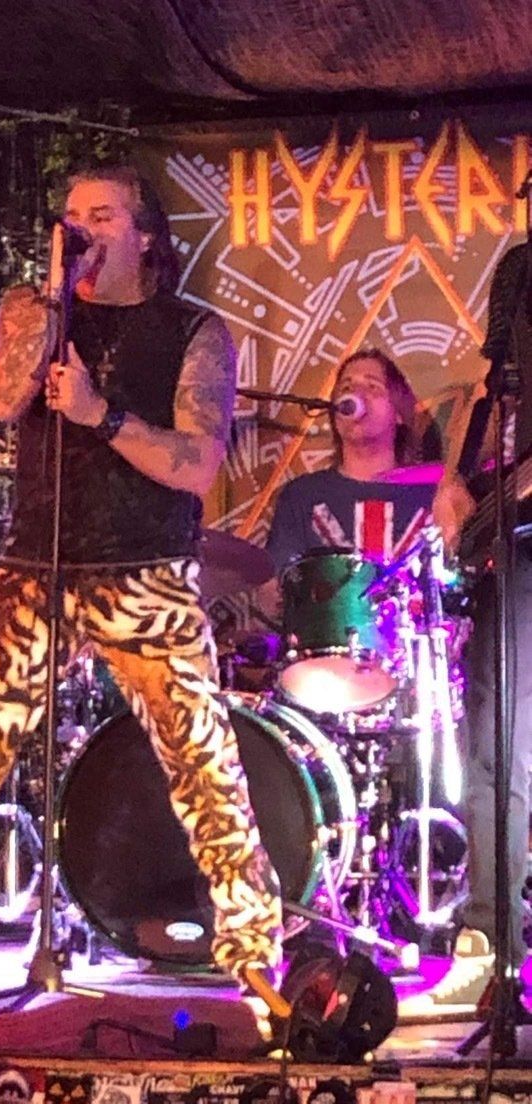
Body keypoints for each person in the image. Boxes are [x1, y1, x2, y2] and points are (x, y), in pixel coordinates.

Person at [0, 163, 284, 1042]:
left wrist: (99, 414)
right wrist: (42, 315)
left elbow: (197, 466)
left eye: (102, 215)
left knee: (203, 766)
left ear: (145, 235)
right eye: (72, 216)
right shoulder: (34, 310)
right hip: (36, 568)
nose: (82, 229)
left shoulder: (192, 330)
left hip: (145, 571)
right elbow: (1, 400)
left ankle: (255, 949)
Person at [401, 241, 532, 1016]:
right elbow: (493, 393)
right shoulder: (520, 271)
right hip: (512, 557)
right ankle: (489, 948)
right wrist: (455, 482)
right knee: (492, 755)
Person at [259, 348, 435, 602]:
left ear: (398, 413)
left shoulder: (433, 494)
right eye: (346, 387)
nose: (355, 394)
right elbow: (272, 594)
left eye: (372, 387)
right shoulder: (302, 496)